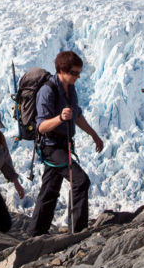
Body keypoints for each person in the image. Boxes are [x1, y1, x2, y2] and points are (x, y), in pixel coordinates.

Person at [28, 51, 104, 236]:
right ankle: (78, 232)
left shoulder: (70, 88)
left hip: (63, 144)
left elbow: (76, 115)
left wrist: (94, 135)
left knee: (50, 188)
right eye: (74, 73)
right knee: (81, 181)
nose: (78, 77)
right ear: (62, 70)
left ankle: (35, 232)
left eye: (79, 73)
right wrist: (60, 118)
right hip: (51, 146)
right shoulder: (48, 91)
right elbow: (41, 126)